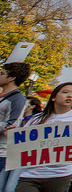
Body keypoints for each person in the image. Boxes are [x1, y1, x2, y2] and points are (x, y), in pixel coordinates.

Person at [16, 82, 72, 192]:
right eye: (65, 92)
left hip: (59, 175)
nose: (69, 96)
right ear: (53, 97)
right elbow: (21, 143)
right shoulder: (36, 119)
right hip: (30, 174)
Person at [0, 62, 30, 190]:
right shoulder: (3, 96)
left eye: (2, 73)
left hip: (3, 152)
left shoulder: (18, 99)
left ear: (12, 78)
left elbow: (11, 125)